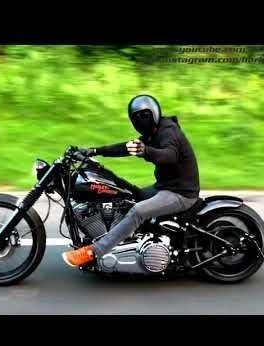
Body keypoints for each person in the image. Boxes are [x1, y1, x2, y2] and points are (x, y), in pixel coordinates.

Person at [62, 94, 200, 267]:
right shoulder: (153, 133)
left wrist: (146, 151)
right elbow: (125, 148)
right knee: (128, 194)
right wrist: (93, 151)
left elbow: (170, 155)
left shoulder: (168, 131)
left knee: (138, 211)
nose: (141, 120)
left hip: (180, 193)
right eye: (136, 117)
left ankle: (94, 251)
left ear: (154, 112)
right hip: (164, 187)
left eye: (144, 115)